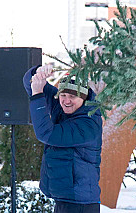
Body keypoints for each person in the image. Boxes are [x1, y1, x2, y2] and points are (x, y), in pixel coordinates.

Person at [23, 64, 103, 213]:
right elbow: (29, 82)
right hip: (65, 199)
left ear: (84, 97)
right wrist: (37, 73)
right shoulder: (62, 108)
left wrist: (37, 94)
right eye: (63, 95)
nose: (66, 101)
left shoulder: (88, 124)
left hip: (80, 204)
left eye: (72, 96)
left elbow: (47, 134)